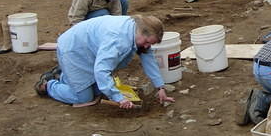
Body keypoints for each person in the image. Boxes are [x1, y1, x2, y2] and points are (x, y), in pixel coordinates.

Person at [34, 15, 174, 109]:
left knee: (97, 90)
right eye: (147, 42)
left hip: (89, 52)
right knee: (84, 98)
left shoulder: (137, 30)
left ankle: (65, 76)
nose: (147, 46)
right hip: (74, 51)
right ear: (142, 33)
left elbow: (148, 57)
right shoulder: (118, 41)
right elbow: (102, 70)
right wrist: (119, 98)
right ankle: (48, 85)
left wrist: (160, 87)